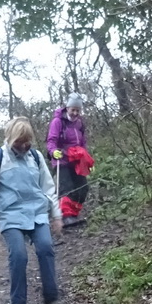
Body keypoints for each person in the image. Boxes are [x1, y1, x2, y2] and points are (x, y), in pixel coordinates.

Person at [0, 117, 71, 304]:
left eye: (27, 141)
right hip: (10, 214)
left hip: (37, 212)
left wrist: (56, 216)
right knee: (18, 255)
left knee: (46, 248)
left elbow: (48, 188)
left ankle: (52, 298)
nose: (24, 145)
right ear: (10, 139)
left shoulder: (35, 157)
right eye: (19, 141)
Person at [46, 92, 92, 226]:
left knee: (82, 187)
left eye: (78, 110)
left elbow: (83, 143)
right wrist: (53, 151)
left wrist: (87, 160)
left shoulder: (79, 124)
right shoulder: (57, 122)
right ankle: (65, 216)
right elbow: (51, 140)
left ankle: (74, 214)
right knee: (66, 188)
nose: (75, 113)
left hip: (77, 160)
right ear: (67, 108)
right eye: (73, 110)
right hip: (62, 159)